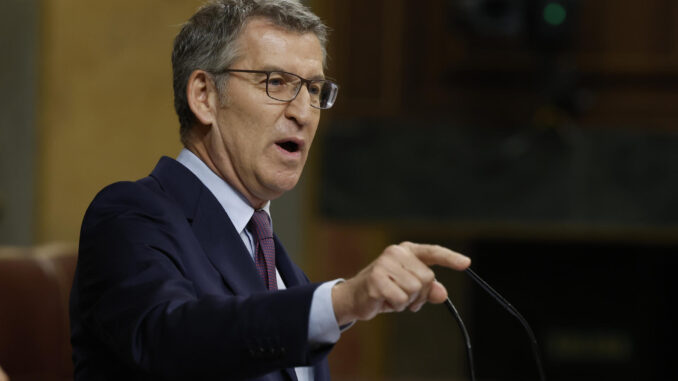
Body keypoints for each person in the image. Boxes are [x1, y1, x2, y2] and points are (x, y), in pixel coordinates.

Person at [69, 0, 471, 380]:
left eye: (313, 89)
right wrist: (343, 301)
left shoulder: (281, 266)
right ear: (204, 96)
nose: (301, 112)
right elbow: (171, 338)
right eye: (275, 82)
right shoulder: (129, 215)